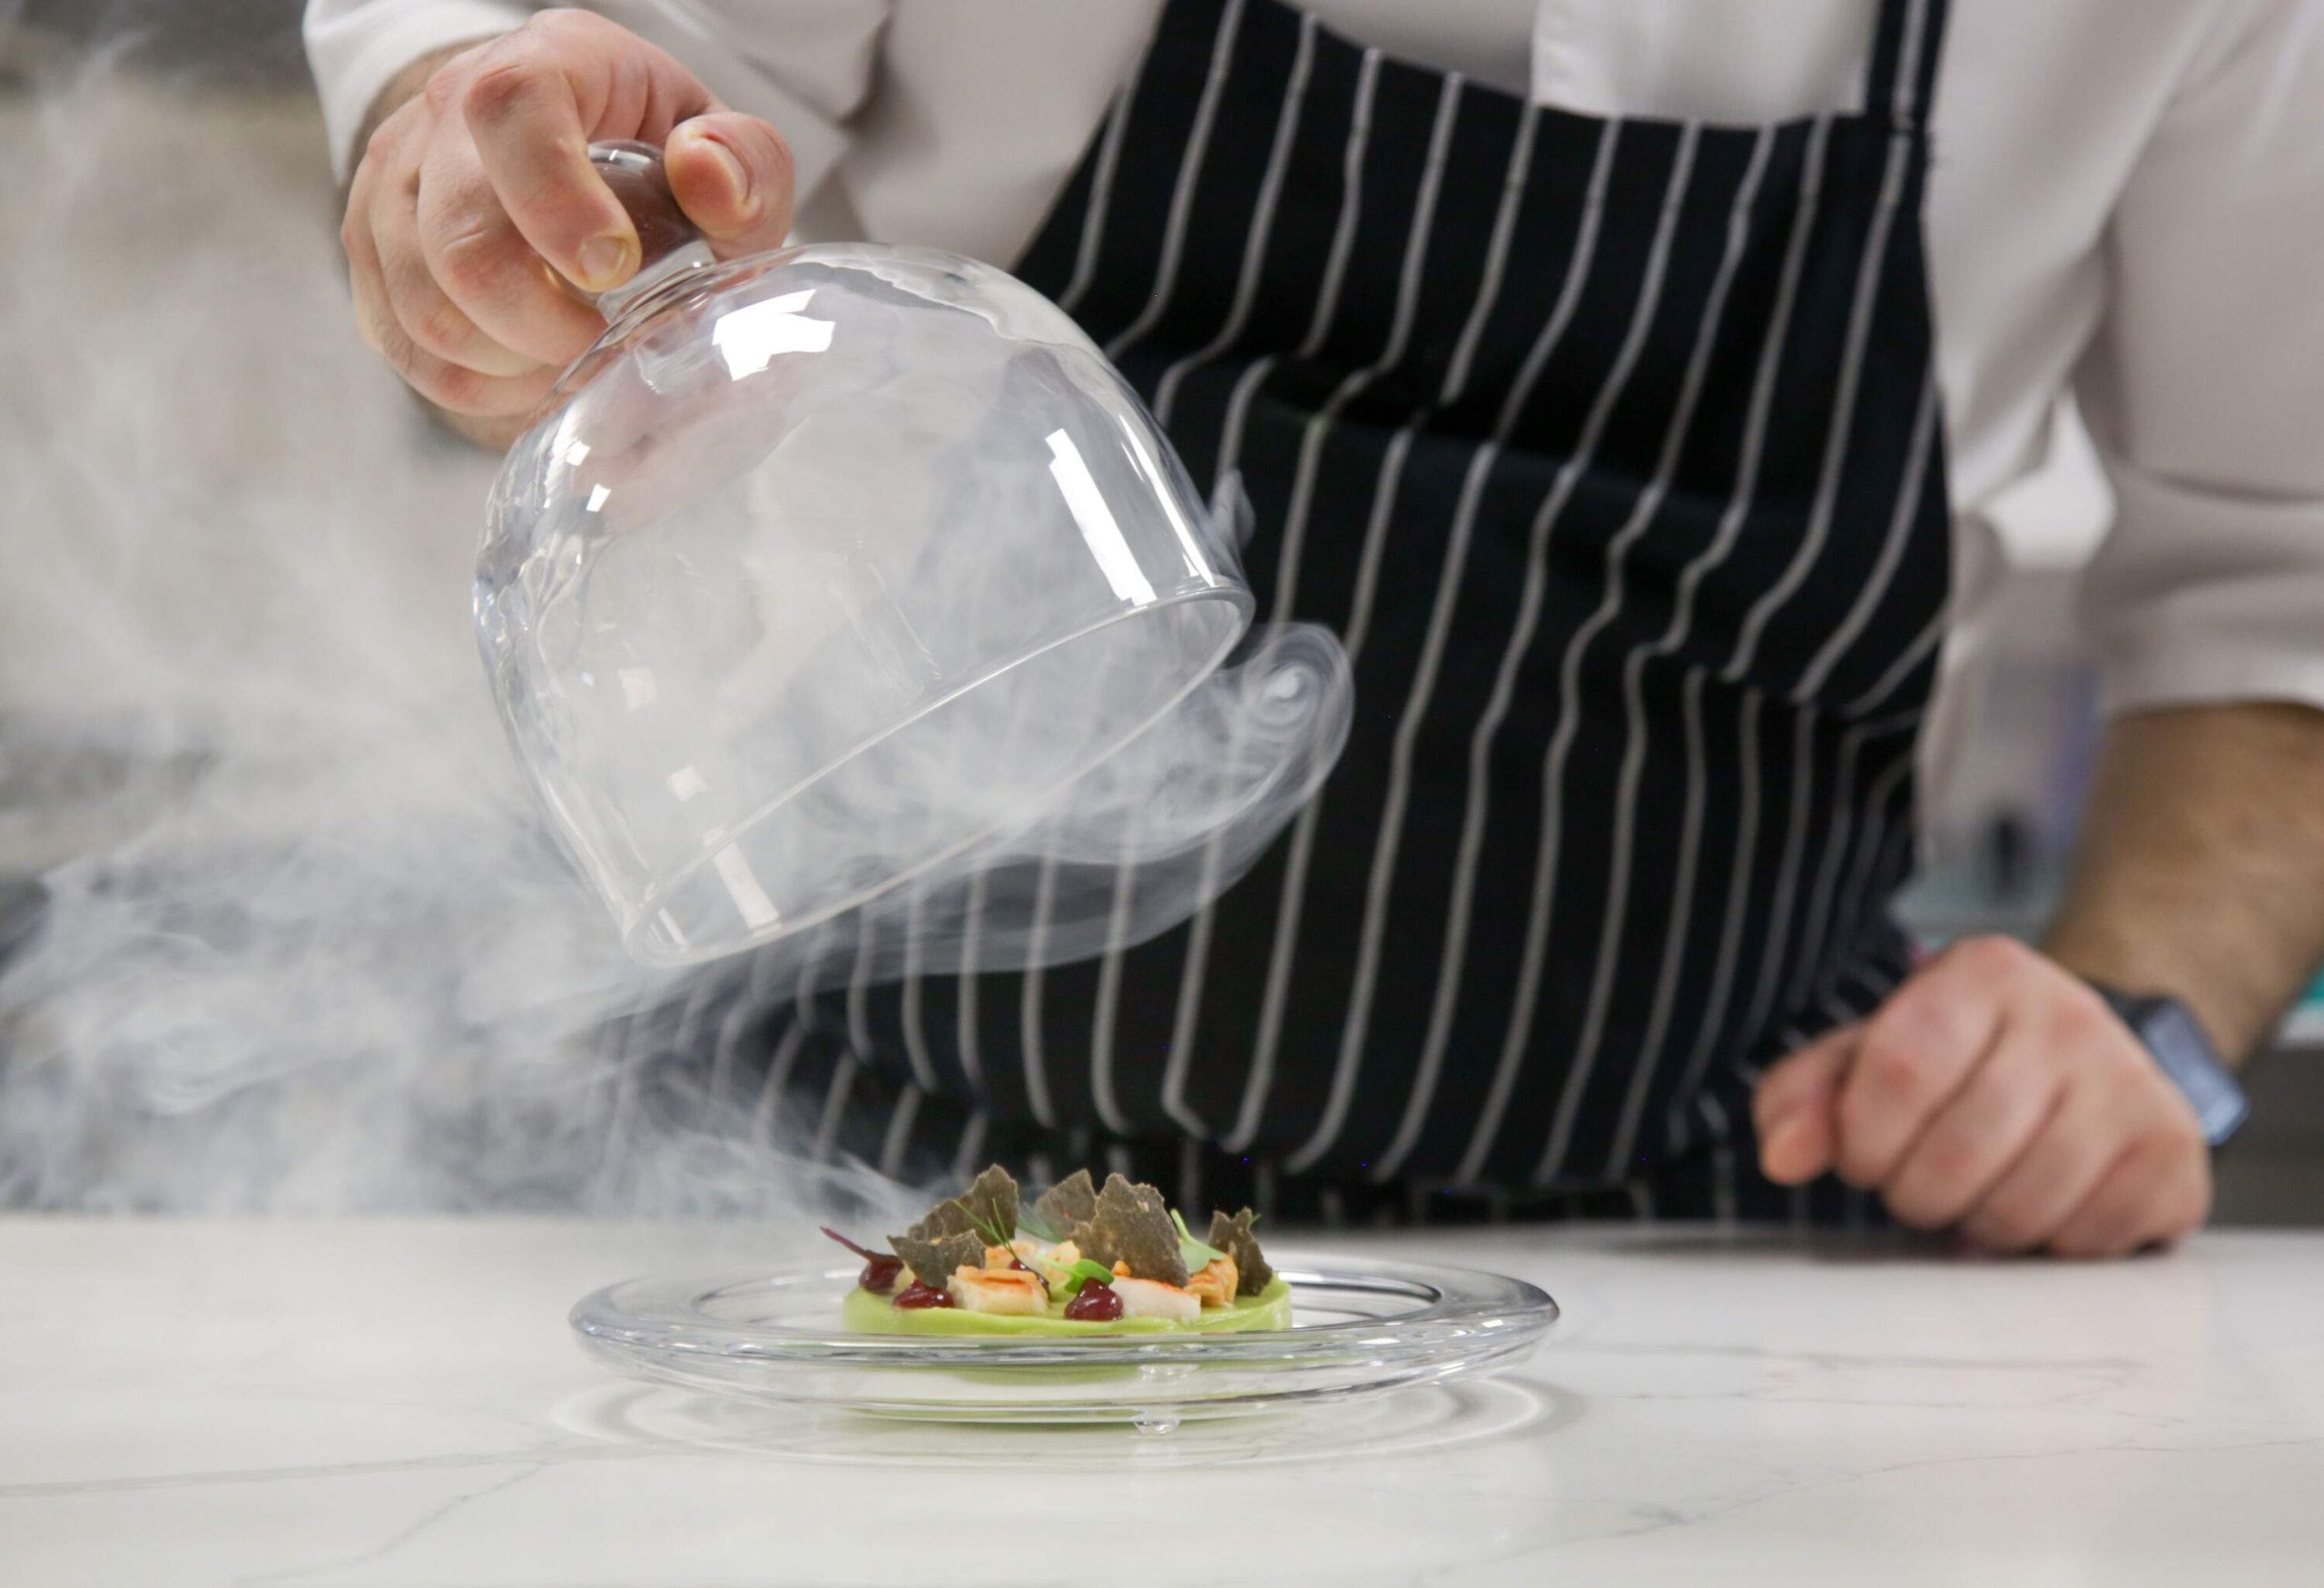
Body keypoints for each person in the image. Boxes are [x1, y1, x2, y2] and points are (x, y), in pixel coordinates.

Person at [308, 0, 2324, 1255]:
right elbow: (572, 108)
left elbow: (2277, 599)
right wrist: (493, 167)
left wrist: (2131, 1022)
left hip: (1712, 1275)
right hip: (853, 1239)